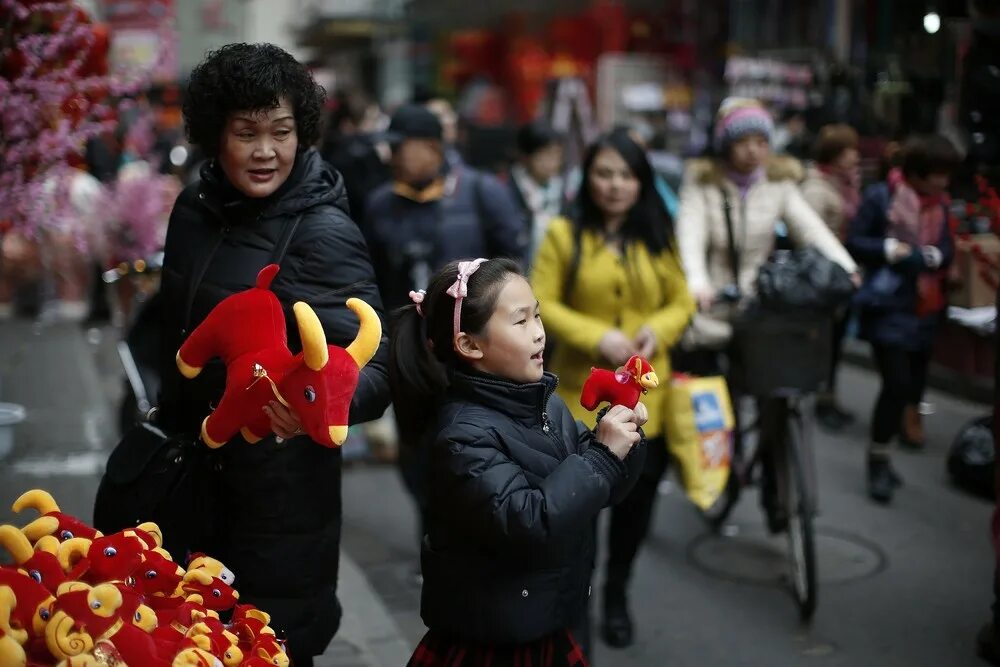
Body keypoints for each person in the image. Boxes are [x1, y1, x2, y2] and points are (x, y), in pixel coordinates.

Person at [155, 43, 391, 666]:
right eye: (246, 133)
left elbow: (376, 366)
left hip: (277, 503)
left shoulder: (322, 230)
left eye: (281, 132)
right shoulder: (194, 209)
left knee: (267, 648)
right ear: (215, 135)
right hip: (189, 479)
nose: (266, 151)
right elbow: (173, 323)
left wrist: (307, 405)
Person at [389, 258, 647, 666]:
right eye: (520, 321)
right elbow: (527, 521)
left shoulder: (546, 405)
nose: (539, 333)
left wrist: (624, 440)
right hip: (493, 641)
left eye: (538, 315)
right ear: (470, 345)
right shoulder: (462, 435)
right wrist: (602, 453)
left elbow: (602, 489)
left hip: (547, 619)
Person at [531, 128, 695, 649]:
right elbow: (542, 300)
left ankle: (617, 594)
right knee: (581, 510)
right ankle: (574, 604)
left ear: (642, 183)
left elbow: (682, 298)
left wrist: (659, 330)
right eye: (604, 173)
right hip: (582, 403)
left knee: (635, 509)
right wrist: (596, 335)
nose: (615, 185)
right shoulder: (564, 233)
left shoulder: (657, 233)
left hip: (653, 403)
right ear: (588, 178)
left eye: (626, 175)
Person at [675, 97, 858, 531]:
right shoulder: (702, 187)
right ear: (725, 145)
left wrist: (847, 269)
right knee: (720, 404)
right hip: (716, 310)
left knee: (778, 398)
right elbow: (690, 238)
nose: (754, 150)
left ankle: (778, 493)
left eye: (762, 140)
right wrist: (698, 283)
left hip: (764, 311)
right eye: (743, 141)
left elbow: (812, 232)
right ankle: (720, 471)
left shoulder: (779, 186)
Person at [365, 103, 528, 551]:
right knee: (416, 454)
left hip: (475, 354)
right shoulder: (382, 203)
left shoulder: (481, 194)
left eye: (401, 148)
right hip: (412, 354)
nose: (393, 156)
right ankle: (433, 539)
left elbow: (517, 268)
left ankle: (475, 542)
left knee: (476, 446)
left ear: (433, 147)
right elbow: (373, 280)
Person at [847, 135, 958, 504]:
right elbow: (856, 241)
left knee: (909, 387)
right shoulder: (882, 197)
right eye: (936, 175)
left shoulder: (941, 205)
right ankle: (877, 462)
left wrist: (930, 258)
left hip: (924, 306)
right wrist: (888, 249)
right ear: (917, 172)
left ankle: (884, 452)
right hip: (887, 304)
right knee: (895, 384)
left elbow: (946, 249)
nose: (942, 184)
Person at [800, 124, 863, 431]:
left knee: (835, 342)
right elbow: (810, 237)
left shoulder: (845, 183)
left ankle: (828, 396)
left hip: (842, 272)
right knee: (825, 341)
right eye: (848, 150)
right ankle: (820, 399)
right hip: (825, 276)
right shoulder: (816, 187)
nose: (855, 156)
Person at [508, 120, 567, 260]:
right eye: (545, 155)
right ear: (526, 156)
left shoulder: (560, 190)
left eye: (557, 155)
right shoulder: (508, 189)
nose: (552, 162)